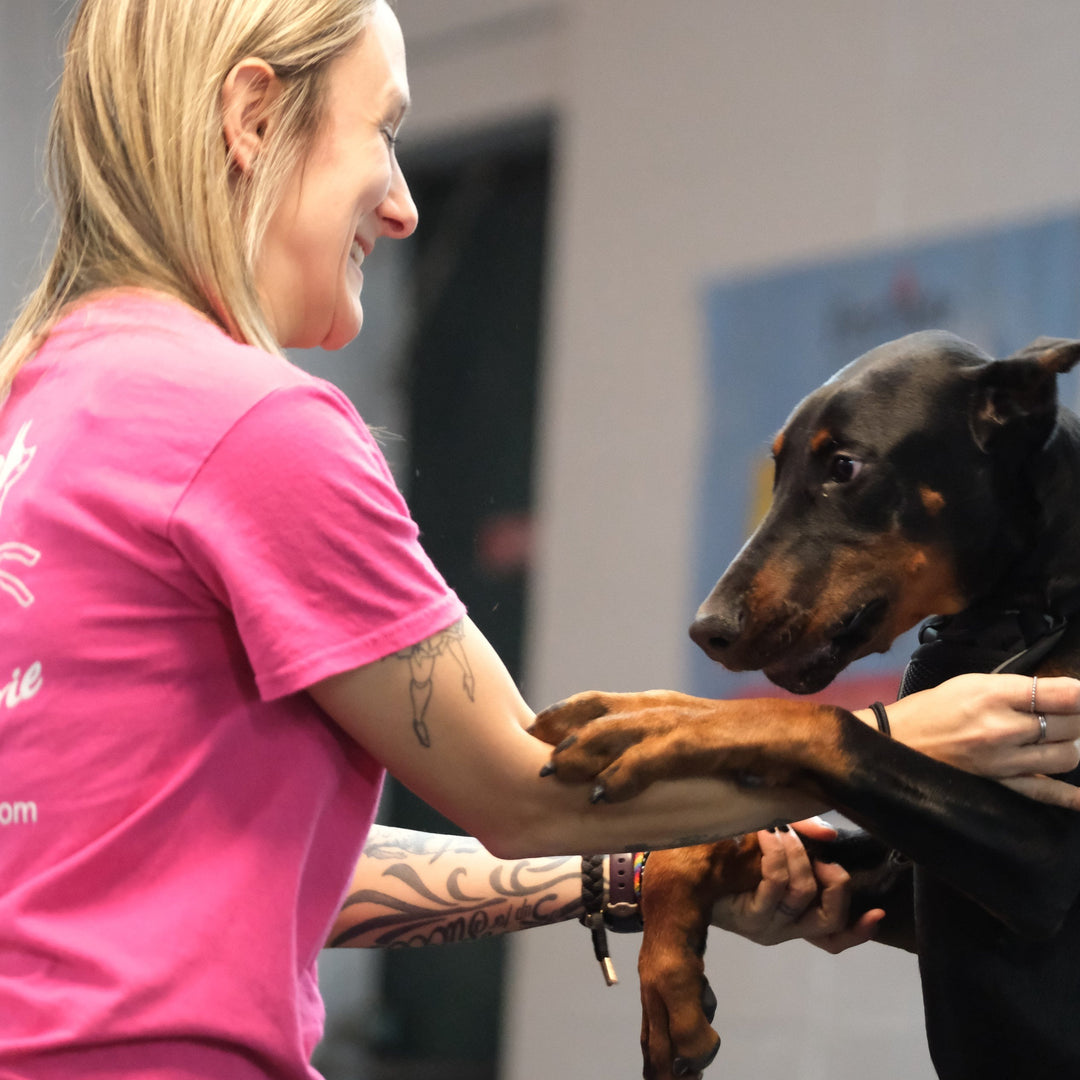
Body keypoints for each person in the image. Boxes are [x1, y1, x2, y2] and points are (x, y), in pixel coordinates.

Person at [1, 1, 1078, 1077]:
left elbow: (238, 867)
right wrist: (901, 739)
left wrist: (620, 877)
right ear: (251, 117)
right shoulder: (249, 424)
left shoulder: (37, 411)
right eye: (383, 132)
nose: (403, 205)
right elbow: (522, 792)